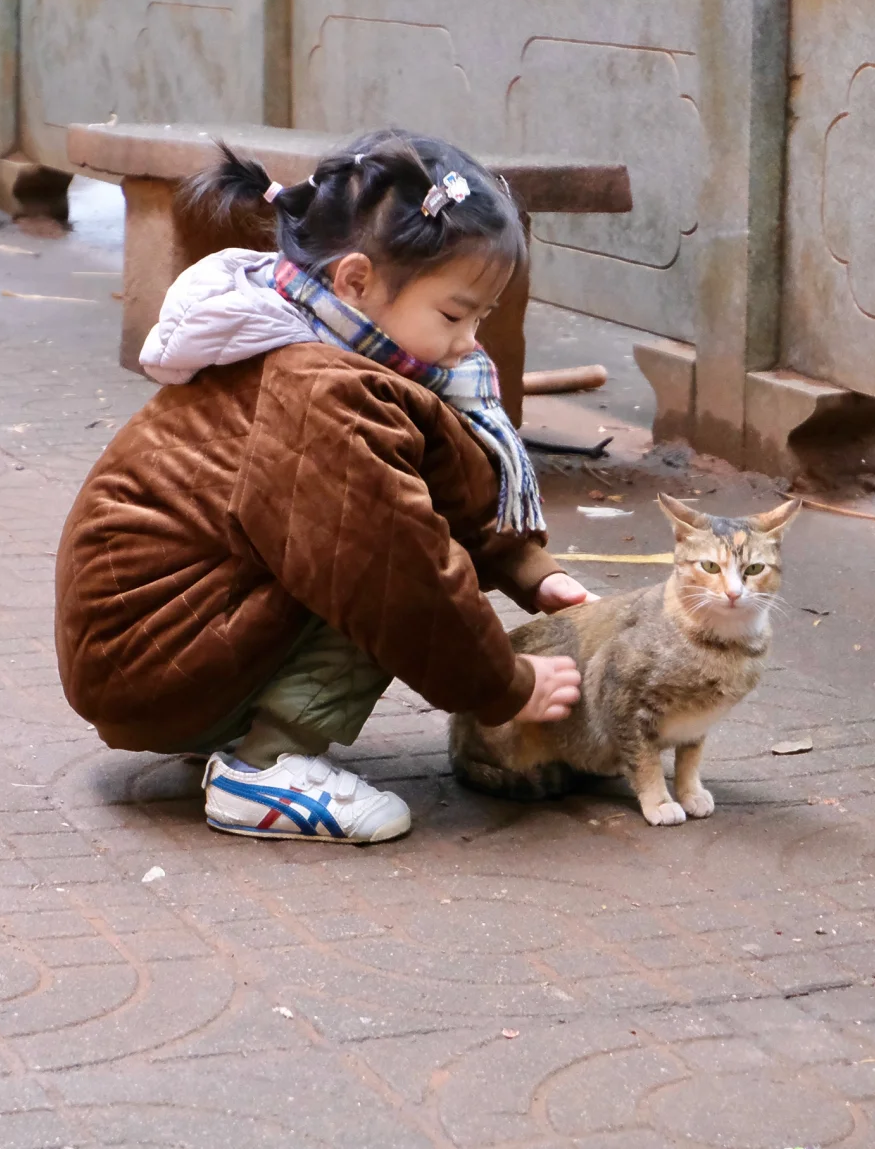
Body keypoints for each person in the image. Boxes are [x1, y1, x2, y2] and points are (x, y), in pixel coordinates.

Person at [55, 129, 588, 845]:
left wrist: (528, 569)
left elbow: (436, 466)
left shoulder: (321, 334)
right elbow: (396, 572)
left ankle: (244, 723)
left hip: (160, 644)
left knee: (375, 527)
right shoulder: (320, 389)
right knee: (381, 559)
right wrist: (507, 686)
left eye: (482, 317)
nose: (469, 343)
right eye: (455, 314)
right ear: (356, 280)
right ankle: (264, 767)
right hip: (155, 658)